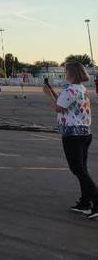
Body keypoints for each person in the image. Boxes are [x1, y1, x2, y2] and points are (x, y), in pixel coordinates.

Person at [43, 62, 97, 218]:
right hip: (85, 133)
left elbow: (59, 108)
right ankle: (85, 202)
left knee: (77, 169)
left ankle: (95, 200)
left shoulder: (69, 89)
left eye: (66, 71)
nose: (64, 73)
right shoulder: (82, 89)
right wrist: (52, 92)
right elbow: (63, 102)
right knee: (82, 169)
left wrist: (48, 95)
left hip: (72, 135)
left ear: (71, 73)